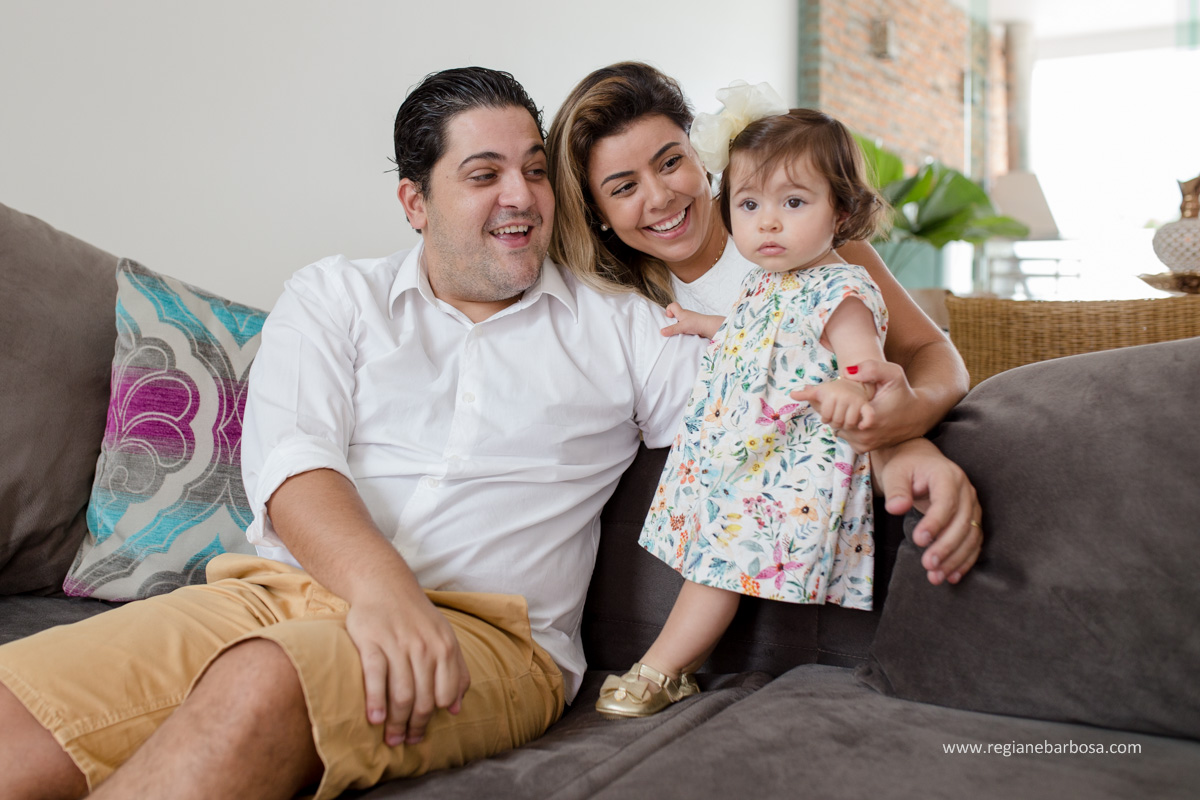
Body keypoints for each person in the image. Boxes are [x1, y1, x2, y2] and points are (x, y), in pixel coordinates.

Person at [0, 67, 979, 800]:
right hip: (267, 594)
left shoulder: (624, 323)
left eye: (532, 171)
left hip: (489, 636)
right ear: (415, 201)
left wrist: (904, 440)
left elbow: (767, 409)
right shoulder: (332, 295)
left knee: (265, 683)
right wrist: (379, 594)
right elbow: (289, 462)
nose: (519, 195)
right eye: (483, 174)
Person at [596, 100, 896, 718]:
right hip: (737, 452)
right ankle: (663, 665)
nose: (768, 225)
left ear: (839, 209)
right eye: (750, 205)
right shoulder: (766, 280)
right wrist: (699, 323)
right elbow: (751, 328)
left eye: (793, 203)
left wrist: (852, 386)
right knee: (702, 548)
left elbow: (867, 360)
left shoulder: (839, 290)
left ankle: (662, 669)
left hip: (781, 468)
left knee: (716, 565)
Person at [546, 62, 969, 459]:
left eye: (671, 162)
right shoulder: (623, 308)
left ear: (701, 152)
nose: (659, 197)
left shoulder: (809, 241)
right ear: (597, 212)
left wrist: (911, 421)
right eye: (623, 188)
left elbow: (929, 349)